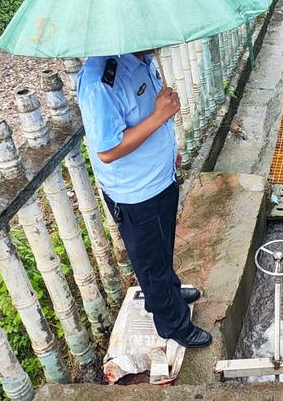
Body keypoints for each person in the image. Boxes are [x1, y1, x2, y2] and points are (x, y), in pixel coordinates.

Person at [77, 50, 212, 348]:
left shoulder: (143, 59)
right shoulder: (100, 82)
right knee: (151, 264)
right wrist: (159, 115)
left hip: (160, 178)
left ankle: (168, 294)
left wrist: (169, 148)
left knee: (163, 249)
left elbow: (144, 121)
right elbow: (108, 150)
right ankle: (173, 324)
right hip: (137, 194)